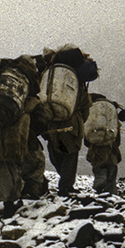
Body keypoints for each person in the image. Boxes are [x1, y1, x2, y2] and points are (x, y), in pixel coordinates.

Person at [0, 55, 49, 216]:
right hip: (22, 134)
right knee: (36, 161)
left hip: (0, 133)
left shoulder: (6, 96)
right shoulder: (29, 97)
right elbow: (39, 120)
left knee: (6, 166)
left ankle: (8, 203)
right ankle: (30, 194)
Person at [36, 45, 97, 196]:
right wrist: (79, 121)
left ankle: (64, 183)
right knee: (70, 156)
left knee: (55, 152)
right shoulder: (77, 81)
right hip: (72, 124)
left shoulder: (51, 76)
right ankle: (66, 187)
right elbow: (84, 106)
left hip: (51, 121)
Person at [84, 94, 125, 195]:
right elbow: (117, 141)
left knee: (99, 173)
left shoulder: (91, 119)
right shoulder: (112, 119)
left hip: (96, 154)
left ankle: (100, 193)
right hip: (112, 154)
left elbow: (86, 141)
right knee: (111, 179)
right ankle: (111, 196)